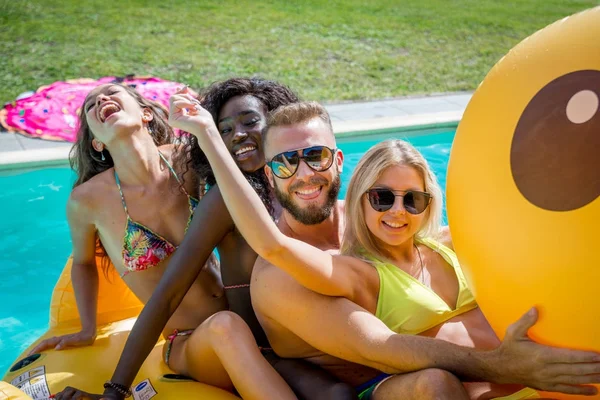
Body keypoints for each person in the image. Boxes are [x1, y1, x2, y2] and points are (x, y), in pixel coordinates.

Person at [174, 97, 600, 399]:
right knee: (433, 384)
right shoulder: (293, 272)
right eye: (286, 162)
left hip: (503, 377)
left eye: (316, 156)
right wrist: (211, 139)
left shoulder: (400, 232)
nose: (304, 172)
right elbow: (382, 348)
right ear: (268, 176)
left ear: (339, 161)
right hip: (391, 385)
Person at [56, 79, 357, 400]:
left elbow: (232, 137)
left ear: (146, 114)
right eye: (91, 105)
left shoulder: (188, 163)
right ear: (97, 143)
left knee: (336, 393)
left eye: (112, 93)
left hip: (255, 326)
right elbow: (87, 262)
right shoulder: (87, 200)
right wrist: (96, 348)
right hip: (190, 336)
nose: (102, 100)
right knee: (225, 326)